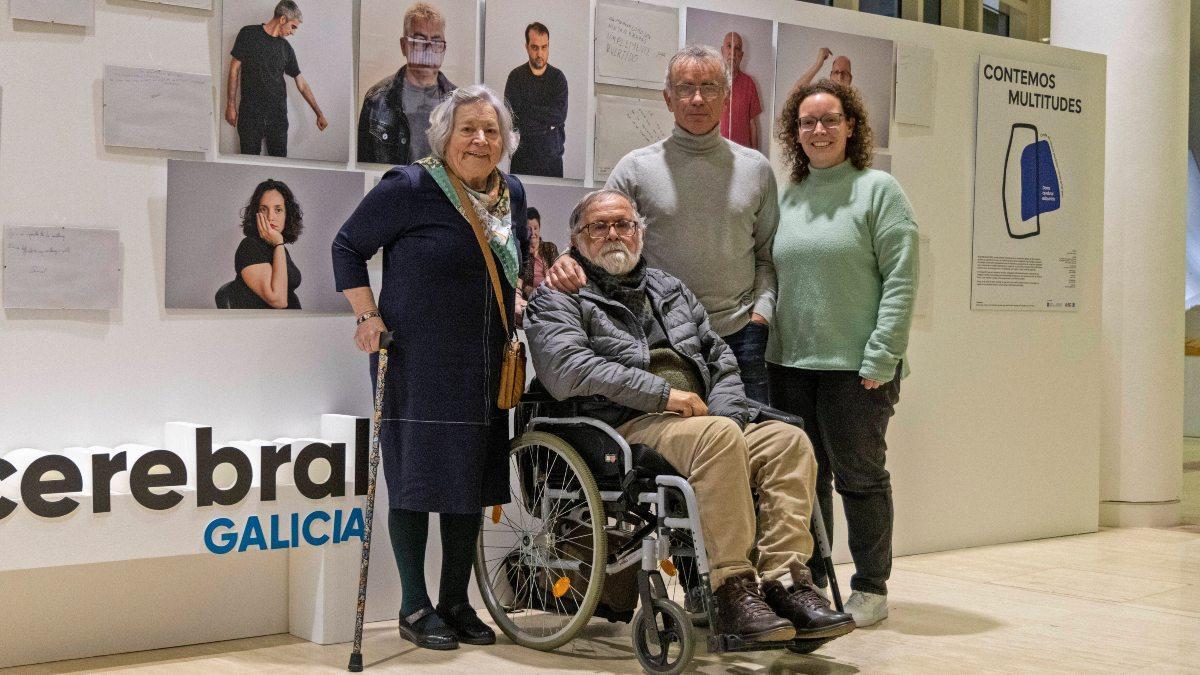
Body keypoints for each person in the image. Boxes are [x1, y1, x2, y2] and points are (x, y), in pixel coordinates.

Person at [525, 188, 855, 647]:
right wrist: (662, 395)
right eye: (598, 227)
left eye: (623, 224)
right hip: (622, 426)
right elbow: (566, 370)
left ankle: (787, 583)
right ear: (576, 239)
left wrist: (727, 415)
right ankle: (732, 588)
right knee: (719, 436)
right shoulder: (559, 297)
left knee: (787, 441)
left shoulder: (670, 288)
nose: (613, 234)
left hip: (701, 422)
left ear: (640, 233)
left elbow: (720, 359)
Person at [332, 84, 529, 650]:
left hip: (488, 362)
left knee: (469, 483)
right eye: (468, 128)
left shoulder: (511, 191)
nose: (480, 140)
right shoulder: (410, 186)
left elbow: (515, 263)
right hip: (416, 361)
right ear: (445, 136)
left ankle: (456, 602)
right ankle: (414, 607)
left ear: (505, 141)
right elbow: (346, 247)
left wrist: (519, 296)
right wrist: (366, 315)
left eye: (491, 131)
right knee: (416, 481)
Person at [547, 45, 779, 403]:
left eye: (709, 87)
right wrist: (566, 259)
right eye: (685, 88)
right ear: (668, 98)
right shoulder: (636, 168)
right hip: (662, 337)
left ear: (727, 96)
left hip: (740, 335)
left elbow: (765, 257)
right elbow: (598, 231)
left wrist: (760, 316)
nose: (697, 98)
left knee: (751, 445)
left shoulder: (757, 170)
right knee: (677, 449)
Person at [769, 79, 918, 628]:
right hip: (789, 365)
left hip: (859, 368)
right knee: (805, 482)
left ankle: (871, 588)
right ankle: (810, 583)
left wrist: (883, 355)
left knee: (860, 477)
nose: (819, 130)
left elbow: (901, 279)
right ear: (795, 133)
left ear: (851, 125)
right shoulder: (787, 195)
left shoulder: (879, 189)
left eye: (830, 119)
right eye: (807, 122)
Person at [225, 0, 328, 157]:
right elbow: (234, 70)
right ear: (282, 19)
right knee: (249, 162)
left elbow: (302, 84)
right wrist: (231, 105)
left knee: (280, 162)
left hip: (278, 118)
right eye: (293, 26)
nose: (293, 32)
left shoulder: (286, 48)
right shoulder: (248, 34)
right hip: (250, 115)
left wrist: (318, 113)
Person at [358, 2, 457, 165]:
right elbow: (364, 167)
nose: (428, 51)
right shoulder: (377, 100)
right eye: (419, 41)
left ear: (444, 49)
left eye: (437, 42)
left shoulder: (459, 103)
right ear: (404, 46)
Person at [222, 179, 303, 309]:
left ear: (287, 215)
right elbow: (278, 300)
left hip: (289, 325)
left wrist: (278, 244)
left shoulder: (277, 247)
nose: (271, 217)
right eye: (264, 210)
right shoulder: (250, 247)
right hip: (262, 327)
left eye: (278, 210)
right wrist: (278, 243)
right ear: (256, 214)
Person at [503, 22, 568, 177]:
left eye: (544, 47)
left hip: (551, 160)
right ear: (527, 47)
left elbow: (559, 115)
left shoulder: (558, 78)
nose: (540, 53)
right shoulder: (516, 77)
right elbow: (511, 117)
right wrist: (546, 126)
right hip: (522, 159)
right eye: (535, 47)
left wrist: (527, 110)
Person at [719, 31, 763, 150]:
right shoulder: (712, 82)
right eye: (729, 46)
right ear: (722, 50)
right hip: (717, 153)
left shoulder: (749, 83)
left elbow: (753, 124)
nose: (732, 53)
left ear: (741, 55)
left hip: (743, 156)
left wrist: (755, 157)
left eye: (737, 48)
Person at [519, 206, 558, 297]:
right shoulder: (520, 252)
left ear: (539, 228)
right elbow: (517, 279)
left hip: (550, 295)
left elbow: (555, 273)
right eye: (529, 229)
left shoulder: (550, 248)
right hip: (527, 297)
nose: (532, 233)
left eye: (535, 228)